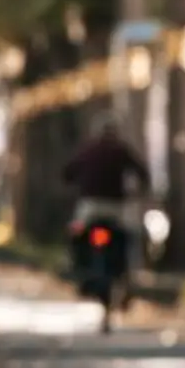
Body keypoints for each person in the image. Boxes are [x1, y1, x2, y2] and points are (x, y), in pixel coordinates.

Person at [60, 114, 151, 272]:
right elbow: (142, 172)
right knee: (130, 236)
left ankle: (72, 262)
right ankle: (132, 270)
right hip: (116, 206)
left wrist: (75, 186)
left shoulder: (87, 151)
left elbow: (68, 173)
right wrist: (139, 191)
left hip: (90, 205)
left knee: (76, 231)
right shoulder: (122, 151)